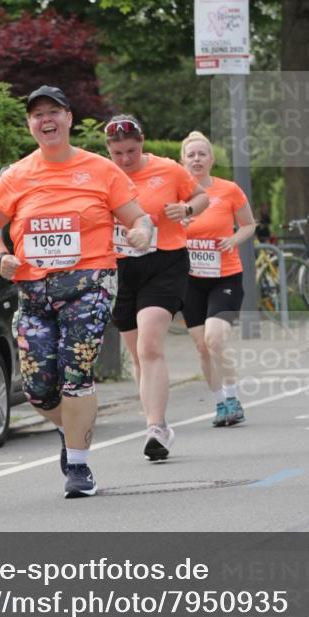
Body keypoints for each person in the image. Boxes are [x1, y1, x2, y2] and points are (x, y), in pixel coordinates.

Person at [0, 86, 154, 499]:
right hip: (34, 295)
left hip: (89, 286)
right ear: (29, 124)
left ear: (68, 118)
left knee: (76, 375)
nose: (46, 120)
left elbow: (138, 218)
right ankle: (72, 430)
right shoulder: (16, 175)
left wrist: (141, 233)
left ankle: (78, 465)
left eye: (53, 111)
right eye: (37, 114)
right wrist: (0, 255)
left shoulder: (101, 170)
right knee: (38, 390)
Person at [104, 115, 208, 460]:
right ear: (109, 151)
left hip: (165, 262)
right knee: (137, 355)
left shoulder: (168, 169)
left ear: (142, 142)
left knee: (149, 344)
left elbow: (201, 197)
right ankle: (153, 416)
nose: (125, 159)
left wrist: (186, 208)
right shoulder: (102, 175)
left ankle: (157, 428)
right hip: (121, 268)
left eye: (131, 151)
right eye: (118, 153)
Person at [179, 130, 256, 428]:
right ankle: (220, 403)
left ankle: (234, 398)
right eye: (191, 155)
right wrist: (178, 224)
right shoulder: (177, 195)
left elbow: (248, 224)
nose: (196, 159)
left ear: (211, 159)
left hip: (226, 276)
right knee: (202, 346)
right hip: (191, 281)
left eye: (202, 154)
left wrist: (233, 239)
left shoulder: (229, 190)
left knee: (215, 337)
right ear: (183, 161)